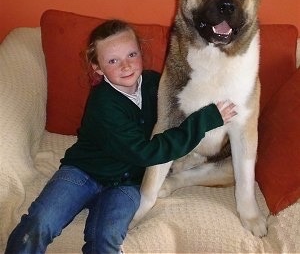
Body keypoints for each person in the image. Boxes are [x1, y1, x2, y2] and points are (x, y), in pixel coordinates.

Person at [5, 20, 237, 254]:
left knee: (106, 239)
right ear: (98, 67)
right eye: (113, 61)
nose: (126, 66)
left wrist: (214, 93)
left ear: (140, 52)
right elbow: (147, 153)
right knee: (39, 222)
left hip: (126, 184)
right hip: (84, 172)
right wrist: (205, 121)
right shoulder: (104, 105)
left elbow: (186, 95)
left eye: (131, 54)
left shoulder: (154, 83)